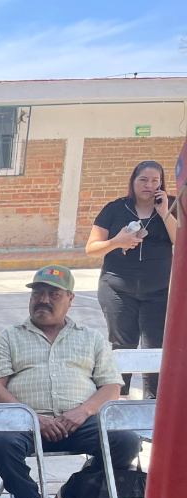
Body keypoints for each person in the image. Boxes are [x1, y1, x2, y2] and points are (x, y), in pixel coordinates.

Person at [0, 264, 138, 498]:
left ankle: (73, 496)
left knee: (126, 441)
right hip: (26, 424)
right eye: (37, 293)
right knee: (0, 443)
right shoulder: (8, 337)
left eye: (53, 294)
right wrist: (33, 417)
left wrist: (82, 411)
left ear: (70, 298)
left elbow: (112, 387)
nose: (43, 300)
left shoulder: (90, 337)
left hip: (80, 422)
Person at [86, 160, 176, 398]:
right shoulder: (115, 209)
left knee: (155, 346)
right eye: (143, 179)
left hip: (159, 290)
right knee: (122, 344)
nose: (149, 185)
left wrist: (164, 213)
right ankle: (119, 398)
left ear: (161, 183)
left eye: (155, 180)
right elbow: (91, 248)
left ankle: (152, 401)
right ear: (133, 181)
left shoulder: (172, 206)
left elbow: (181, 241)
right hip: (117, 287)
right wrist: (117, 242)